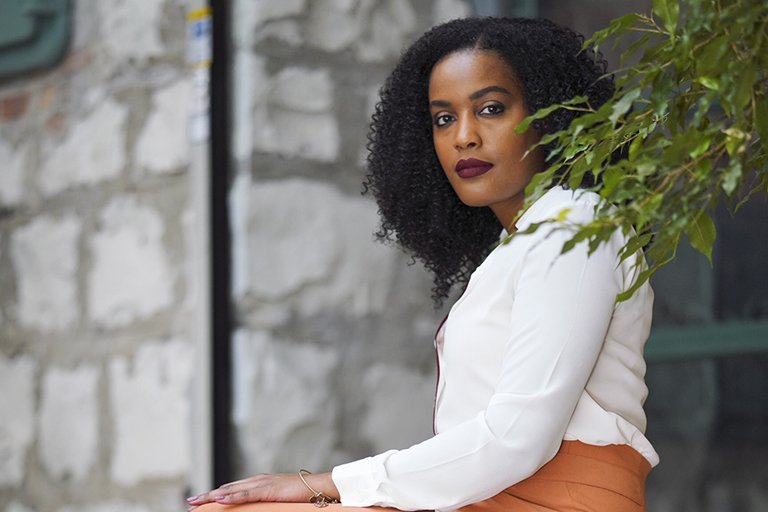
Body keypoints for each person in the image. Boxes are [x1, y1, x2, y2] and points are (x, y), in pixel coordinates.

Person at [187, 16, 658, 512]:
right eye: (443, 118)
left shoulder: (575, 222)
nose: (464, 137)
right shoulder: (514, 247)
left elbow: (518, 437)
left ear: (547, 114)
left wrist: (327, 483)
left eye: (491, 109)